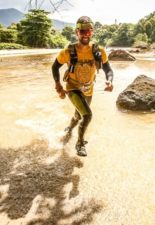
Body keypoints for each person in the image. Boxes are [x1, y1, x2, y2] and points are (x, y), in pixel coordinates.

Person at [52, 16, 114, 157]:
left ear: (92, 33)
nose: (86, 35)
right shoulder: (68, 51)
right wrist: (58, 84)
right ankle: (79, 144)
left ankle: (69, 128)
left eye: (89, 32)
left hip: (88, 89)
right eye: (82, 32)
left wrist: (110, 80)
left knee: (78, 114)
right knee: (87, 115)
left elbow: (108, 69)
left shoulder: (99, 51)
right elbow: (55, 66)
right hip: (73, 88)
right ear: (77, 32)